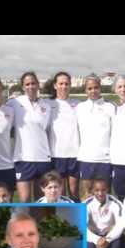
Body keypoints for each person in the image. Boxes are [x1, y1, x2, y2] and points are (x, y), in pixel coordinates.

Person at [7, 72, 53, 203]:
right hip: (23, 159)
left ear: (38, 85)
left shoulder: (46, 106)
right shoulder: (14, 103)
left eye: (33, 83)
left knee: (42, 201)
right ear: (23, 87)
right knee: (25, 200)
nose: (31, 86)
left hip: (43, 159)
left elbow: (48, 130)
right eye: (27, 84)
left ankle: (40, 224)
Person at [76, 75, 117, 196]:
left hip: (105, 159)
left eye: (96, 87)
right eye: (89, 88)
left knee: (104, 195)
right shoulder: (79, 108)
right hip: (86, 158)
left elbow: (115, 134)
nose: (93, 91)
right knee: (86, 195)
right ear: (85, 90)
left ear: (100, 88)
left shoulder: (110, 107)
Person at [47, 72, 80, 200]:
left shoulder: (78, 104)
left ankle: (78, 219)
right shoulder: (48, 104)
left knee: (74, 191)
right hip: (56, 155)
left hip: (75, 154)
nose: (64, 86)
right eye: (61, 84)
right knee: (60, 192)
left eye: (66, 84)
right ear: (55, 86)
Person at [86, 177, 124, 248]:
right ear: (92, 191)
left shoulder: (116, 203)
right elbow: (82, 226)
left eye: (103, 190)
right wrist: (97, 239)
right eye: (97, 190)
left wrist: (107, 239)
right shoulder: (86, 204)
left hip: (109, 235)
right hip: (94, 236)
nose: (100, 193)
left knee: (117, 238)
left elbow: (120, 225)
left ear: (107, 189)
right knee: (84, 237)